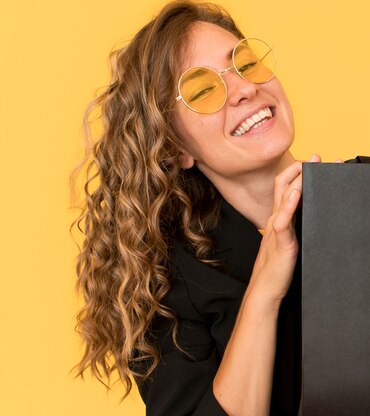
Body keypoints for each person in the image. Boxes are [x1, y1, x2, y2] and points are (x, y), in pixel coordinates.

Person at [73, 1, 319, 414]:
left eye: (246, 63)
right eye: (203, 90)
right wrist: (265, 289)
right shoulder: (163, 290)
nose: (245, 89)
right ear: (177, 147)